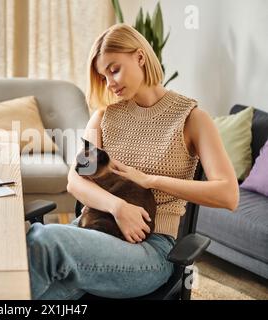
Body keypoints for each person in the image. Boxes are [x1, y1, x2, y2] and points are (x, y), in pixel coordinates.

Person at [26, 23, 239, 300]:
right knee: (30, 261)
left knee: (44, 241)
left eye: (114, 69)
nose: (110, 83)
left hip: (152, 251)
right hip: (92, 229)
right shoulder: (103, 117)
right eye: (103, 77)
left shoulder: (192, 119)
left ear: (140, 57)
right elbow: (75, 181)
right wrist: (119, 208)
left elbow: (228, 194)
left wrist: (149, 180)